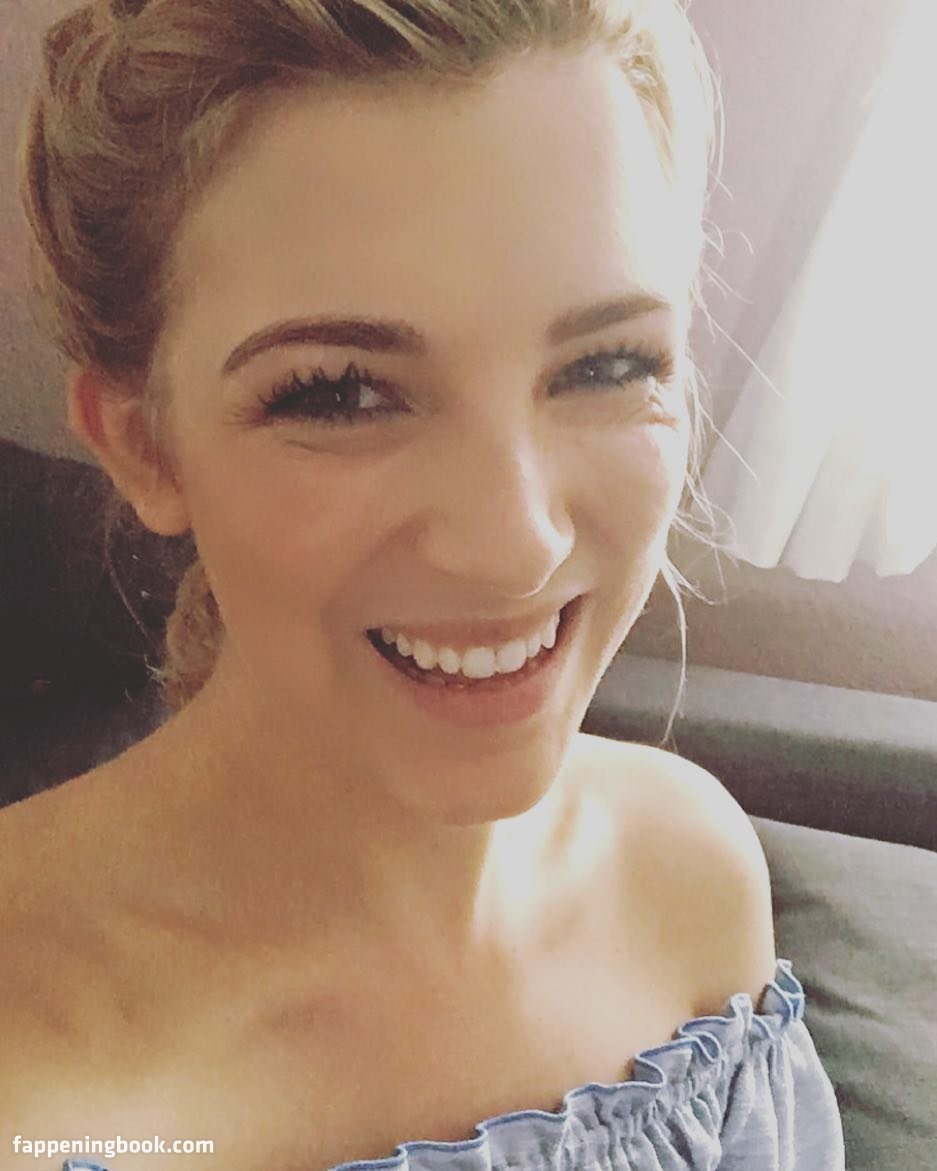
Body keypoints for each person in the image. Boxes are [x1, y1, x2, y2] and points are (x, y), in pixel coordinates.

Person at [2, 1, 845, 1169]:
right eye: (341, 392)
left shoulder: (690, 876)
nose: (516, 546)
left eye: (607, 364)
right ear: (144, 444)